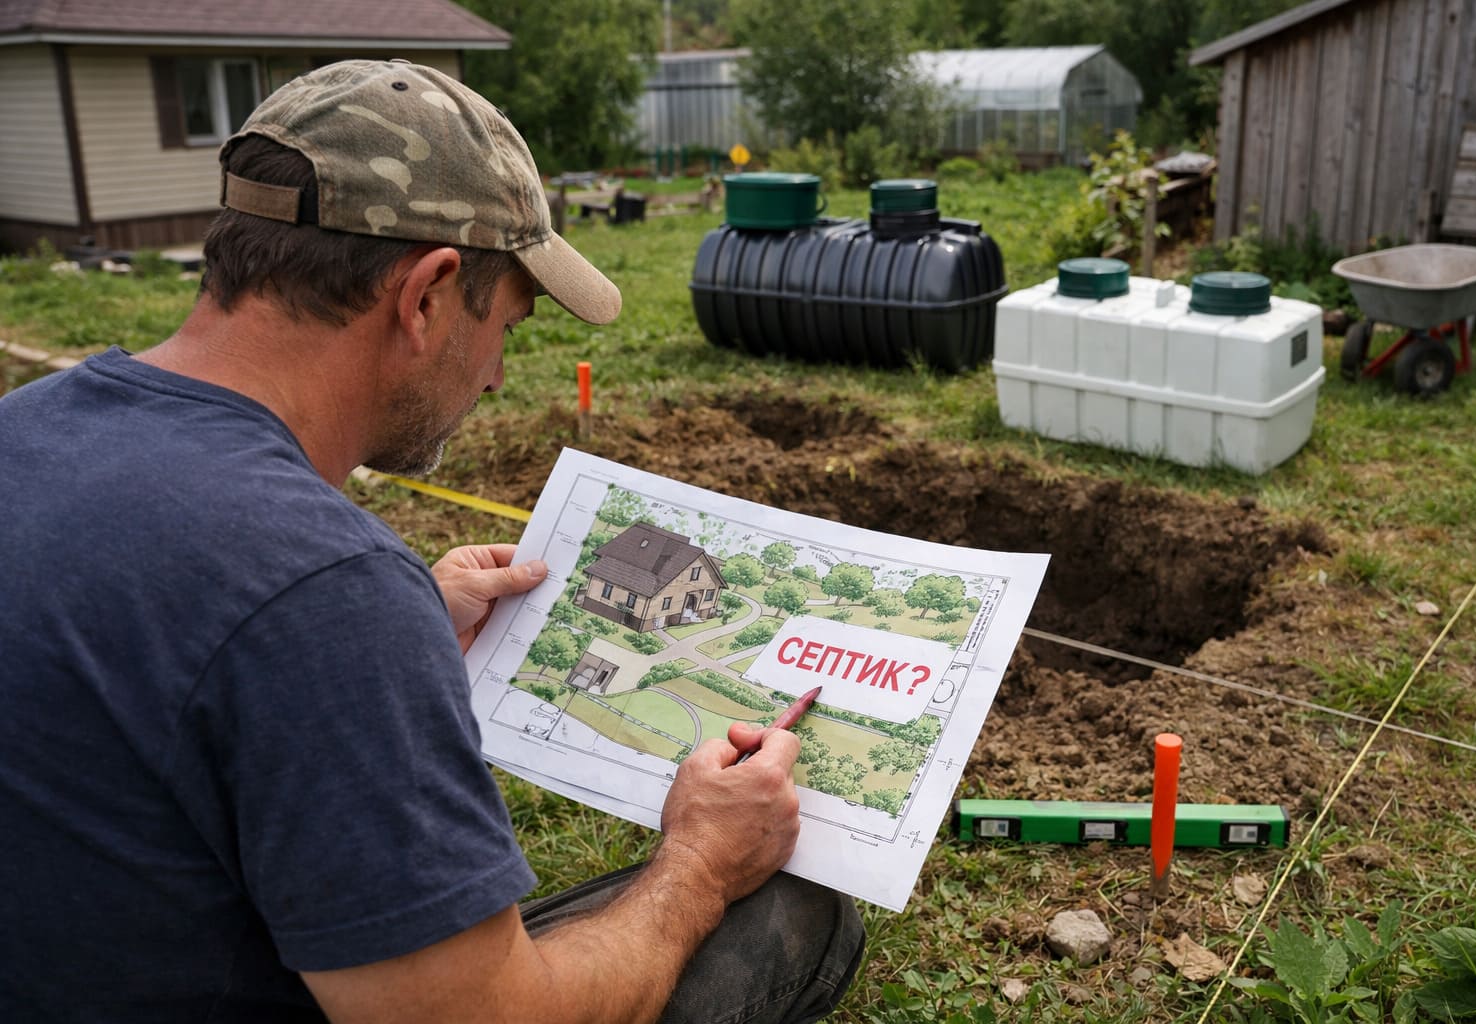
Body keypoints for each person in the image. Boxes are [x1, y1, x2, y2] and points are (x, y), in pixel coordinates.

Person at [0, 59, 863, 1023]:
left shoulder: (24, 429)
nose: (495, 377)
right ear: (427, 295)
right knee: (794, 910)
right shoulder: (321, 592)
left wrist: (399, 637)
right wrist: (699, 865)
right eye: (507, 326)